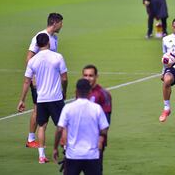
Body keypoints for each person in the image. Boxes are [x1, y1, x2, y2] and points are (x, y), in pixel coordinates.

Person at [17, 33, 68, 164]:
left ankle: (41, 156)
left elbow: (26, 82)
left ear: (37, 45)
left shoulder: (32, 61)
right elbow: (64, 78)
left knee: (42, 126)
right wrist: (64, 91)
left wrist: (22, 100)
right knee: (62, 126)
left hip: (41, 99)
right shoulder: (57, 57)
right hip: (56, 97)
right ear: (49, 43)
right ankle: (68, 153)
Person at [53, 79, 109, 175]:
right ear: (90, 91)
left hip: (73, 155)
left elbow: (59, 129)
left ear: (76, 91)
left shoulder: (68, 108)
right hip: (91, 155)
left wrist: (55, 148)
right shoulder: (97, 108)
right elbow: (104, 129)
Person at [24, 12, 64, 148]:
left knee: (41, 109)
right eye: (61, 23)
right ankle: (30, 139)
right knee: (37, 109)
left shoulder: (55, 38)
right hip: (38, 80)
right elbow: (29, 57)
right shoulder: (40, 37)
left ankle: (34, 139)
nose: (62, 26)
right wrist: (33, 78)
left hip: (50, 81)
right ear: (55, 23)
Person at [82, 64, 112, 172]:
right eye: (85, 75)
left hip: (95, 141)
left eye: (91, 75)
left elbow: (106, 119)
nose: (88, 78)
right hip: (79, 141)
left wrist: (101, 139)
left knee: (95, 171)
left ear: (96, 76)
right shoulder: (80, 92)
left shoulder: (103, 94)